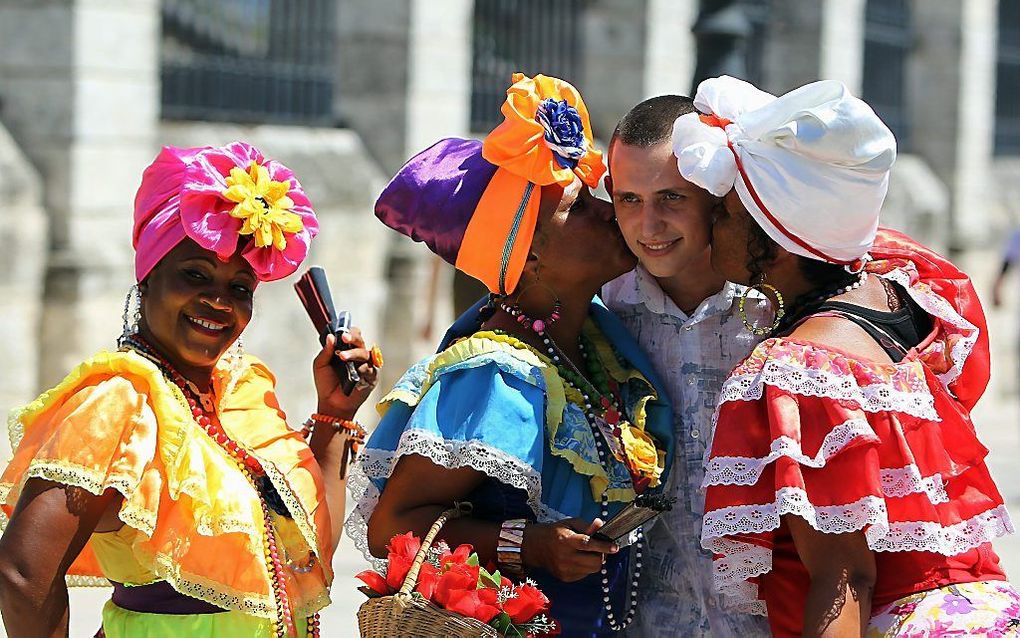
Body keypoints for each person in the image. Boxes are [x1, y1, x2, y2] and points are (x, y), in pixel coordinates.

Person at [673, 75, 1019, 636]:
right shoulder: (904, 290)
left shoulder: (800, 368)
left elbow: (845, 577)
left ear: (775, 233)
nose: (709, 227)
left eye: (726, 214)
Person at [0, 142, 380, 638]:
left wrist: (334, 413)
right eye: (195, 274)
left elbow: (305, 556)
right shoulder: (120, 402)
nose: (219, 301)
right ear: (149, 277)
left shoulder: (244, 392)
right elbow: (22, 573)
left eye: (239, 287)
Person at [346, 73, 675, 637]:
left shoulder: (598, 348)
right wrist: (535, 545)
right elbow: (392, 527)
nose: (607, 213)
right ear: (525, 259)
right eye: (578, 207)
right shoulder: (496, 376)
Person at [601, 95, 771, 636]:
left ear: (715, 196)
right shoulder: (602, 313)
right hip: (648, 621)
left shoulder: (777, 309)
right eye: (629, 199)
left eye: (671, 197)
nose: (649, 224)